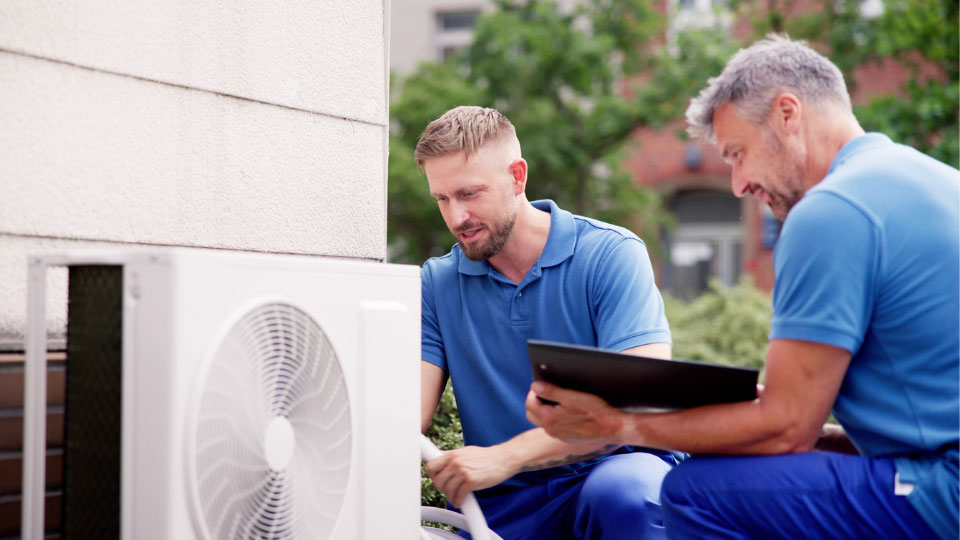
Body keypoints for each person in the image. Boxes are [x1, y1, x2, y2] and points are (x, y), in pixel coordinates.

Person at [526, 35, 959, 540]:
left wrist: (615, 426)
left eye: (737, 153)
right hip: (934, 476)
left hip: (941, 492)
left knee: (696, 490)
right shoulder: (936, 180)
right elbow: (821, 425)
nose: (738, 184)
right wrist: (783, 421)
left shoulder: (829, 212)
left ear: (787, 114)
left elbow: (784, 430)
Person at [416, 105, 677, 540]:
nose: (455, 217)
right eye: (442, 199)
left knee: (625, 493)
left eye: (469, 194)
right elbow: (404, 416)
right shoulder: (437, 282)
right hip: (503, 503)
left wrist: (508, 455)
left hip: (611, 475)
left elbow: (640, 399)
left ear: (517, 177)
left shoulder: (611, 255)